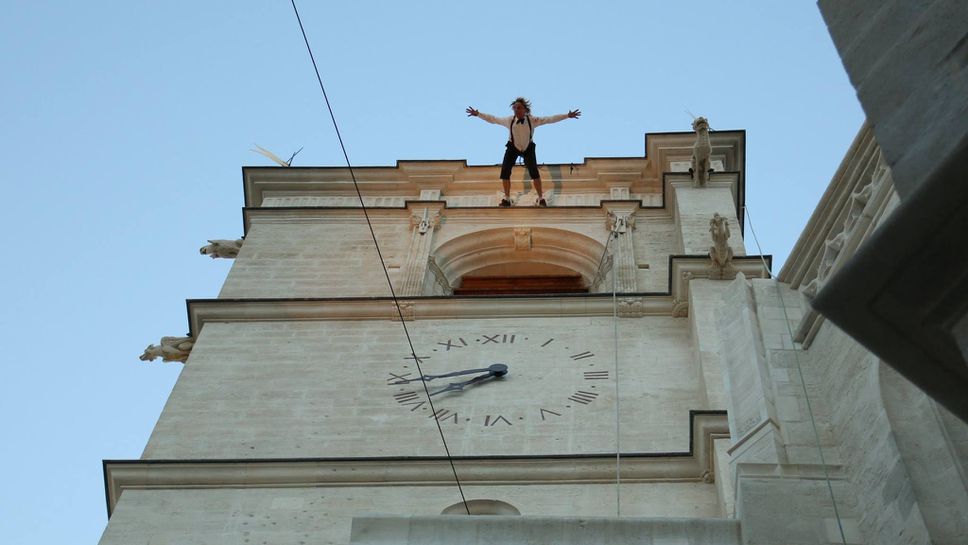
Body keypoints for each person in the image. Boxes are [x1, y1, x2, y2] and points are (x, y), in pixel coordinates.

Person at [466, 97, 580, 207]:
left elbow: (550, 119)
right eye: (515, 108)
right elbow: (493, 119)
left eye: (519, 107)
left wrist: (567, 116)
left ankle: (541, 198)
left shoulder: (532, 120)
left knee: (534, 172)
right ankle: (507, 199)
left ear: (525, 109)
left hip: (527, 148)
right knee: (505, 171)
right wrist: (479, 114)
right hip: (513, 148)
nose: (516, 110)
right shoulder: (509, 120)